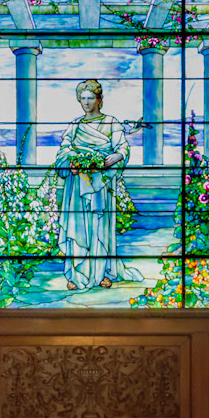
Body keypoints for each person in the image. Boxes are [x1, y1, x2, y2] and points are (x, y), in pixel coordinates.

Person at [53, 78, 128, 290]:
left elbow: (123, 147)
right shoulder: (75, 125)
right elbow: (64, 149)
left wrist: (116, 157)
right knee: (78, 228)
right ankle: (76, 274)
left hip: (101, 185)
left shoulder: (111, 122)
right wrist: (70, 164)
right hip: (77, 187)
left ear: (99, 99)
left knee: (99, 227)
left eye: (90, 98)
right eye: (82, 99)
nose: (86, 103)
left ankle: (101, 273)